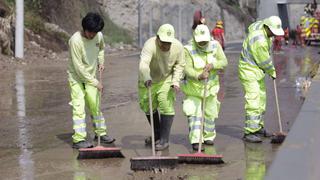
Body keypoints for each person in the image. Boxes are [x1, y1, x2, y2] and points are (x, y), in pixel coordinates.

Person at [68, 12, 115, 149]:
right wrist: (95, 83)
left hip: (91, 75)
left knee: (95, 104)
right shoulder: (75, 41)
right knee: (79, 106)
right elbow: (79, 68)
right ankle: (79, 139)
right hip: (76, 77)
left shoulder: (98, 36)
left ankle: (100, 134)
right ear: (84, 29)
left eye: (95, 33)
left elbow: (101, 49)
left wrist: (101, 61)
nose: (92, 35)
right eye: (90, 32)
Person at [138, 24, 185, 151]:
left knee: (166, 104)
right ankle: (157, 135)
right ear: (157, 38)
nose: (166, 46)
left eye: (168, 43)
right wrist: (147, 77)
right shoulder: (150, 45)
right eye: (163, 42)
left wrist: (175, 81)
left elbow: (180, 65)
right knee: (147, 106)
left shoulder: (178, 47)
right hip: (148, 79)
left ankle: (164, 140)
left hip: (166, 79)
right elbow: (143, 64)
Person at [238, 16, 284, 143]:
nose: (274, 35)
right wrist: (272, 71)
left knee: (261, 99)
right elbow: (264, 60)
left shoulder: (264, 32)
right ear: (267, 27)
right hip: (249, 70)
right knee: (253, 100)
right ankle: (249, 132)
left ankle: (258, 127)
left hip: (257, 70)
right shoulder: (259, 40)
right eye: (273, 32)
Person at [182, 24, 228, 151]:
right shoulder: (188, 49)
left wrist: (213, 65)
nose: (202, 43)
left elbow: (224, 62)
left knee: (210, 114)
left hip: (211, 88)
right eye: (200, 41)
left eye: (204, 41)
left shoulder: (215, 45)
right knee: (194, 114)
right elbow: (187, 69)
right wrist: (199, 75)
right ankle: (196, 140)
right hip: (194, 89)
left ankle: (208, 137)